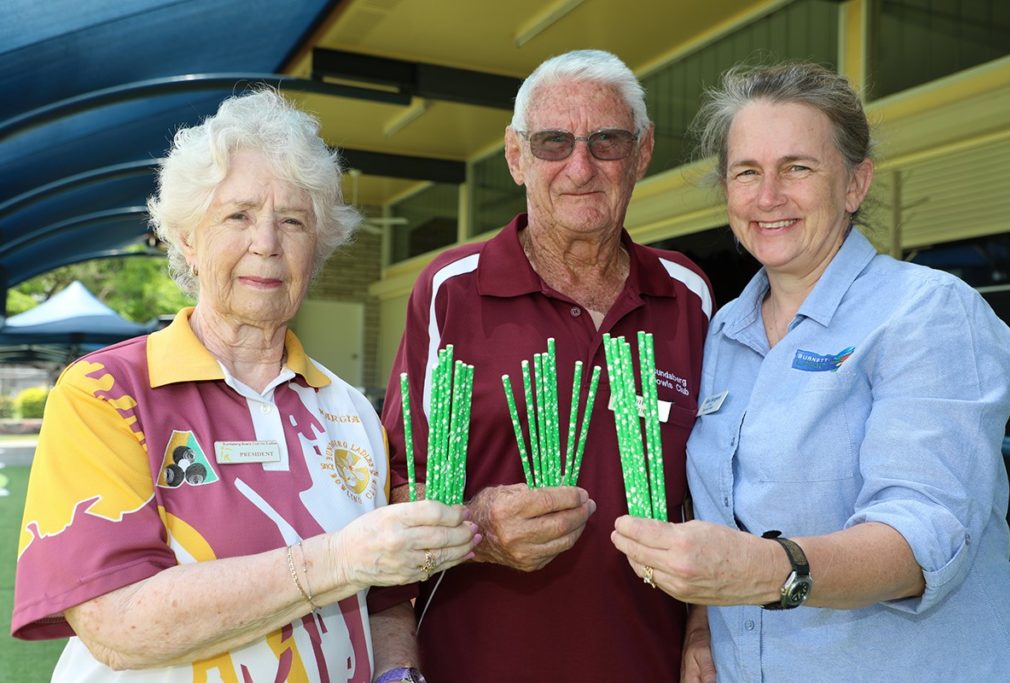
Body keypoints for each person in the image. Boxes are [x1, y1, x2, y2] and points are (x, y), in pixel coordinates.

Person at [11, 89, 479, 682]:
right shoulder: (107, 392)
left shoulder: (349, 410)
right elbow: (117, 622)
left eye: (293, 221)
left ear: (318, 246)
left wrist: (396, 676)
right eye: (238, 215)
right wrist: (336, 560)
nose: (267, 243)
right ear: (187, 236)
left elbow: (384, 599)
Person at [611, 62, 1010, 681]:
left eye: (797, 168)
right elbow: (718, 513)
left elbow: (925, 535)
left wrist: (768, 570)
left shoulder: (928, 312)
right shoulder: (722, 333)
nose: (768, 196)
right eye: (746, 172)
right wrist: (702, 625)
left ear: (856, 184)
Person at [370, 50, 714, 683]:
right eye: (554, 142)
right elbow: (390, 491)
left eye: (606, 141)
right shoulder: (451, 291)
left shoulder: (688, 294)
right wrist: (476, 526)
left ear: (641, 153)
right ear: (516, 155)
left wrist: (703, 627)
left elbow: (718, 491)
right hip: (475, 664)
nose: (580, 167)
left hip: (651, 664)